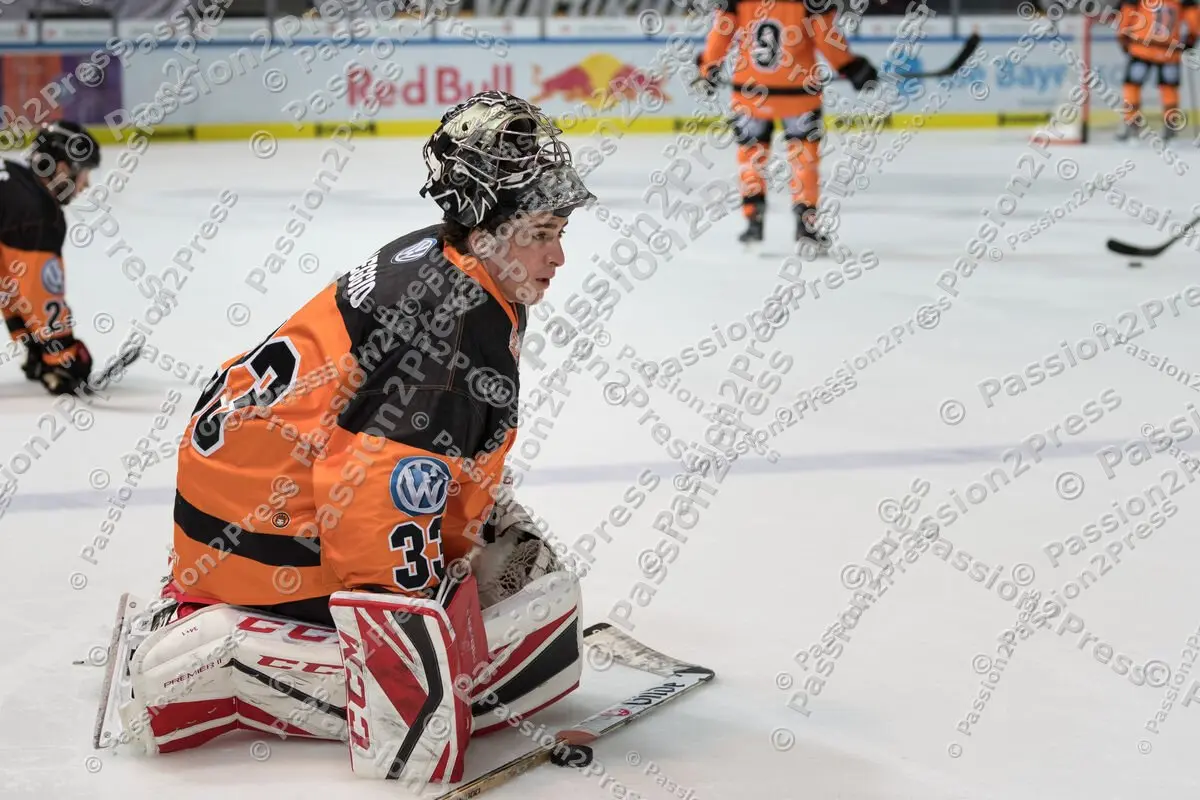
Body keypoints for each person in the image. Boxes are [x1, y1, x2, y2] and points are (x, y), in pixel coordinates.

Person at [108, 91, 595, 787]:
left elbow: (403, 448)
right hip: (258, 539)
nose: (561, 255)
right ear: (491, 226)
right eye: (545, 232)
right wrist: (422, 614)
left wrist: (461, 536)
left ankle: (230, 604)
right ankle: (211, 658)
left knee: (503, 552)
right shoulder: (451, 332)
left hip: (239, 504)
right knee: (499, 620)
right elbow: (371, 498)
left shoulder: (444, 254)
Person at [695, 0, 878, 250]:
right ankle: (806, 223)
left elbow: (721, 32)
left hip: (750, 92)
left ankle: (753, 219)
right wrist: (851, 66)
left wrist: (708, 67)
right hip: (798, 94)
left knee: (751, 155)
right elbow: (826, 37)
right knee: (804, 158)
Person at [0, 121, 100, 394]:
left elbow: (8, 283)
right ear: (62, 168)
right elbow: (38, 292)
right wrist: (63, 356)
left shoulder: (11, 184)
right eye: (83, 173)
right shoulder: (36, 211)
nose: (85, 185)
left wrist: (34, 342)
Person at [1116, 0, 1200, 141]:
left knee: (1132, 86)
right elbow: (1193, 18)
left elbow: (1127, 12)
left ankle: (1132, 124)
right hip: (1169, 50)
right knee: (1169, 89)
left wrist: (1122, 36)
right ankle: (1170, 126)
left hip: (1141, 47)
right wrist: (1191, 38)